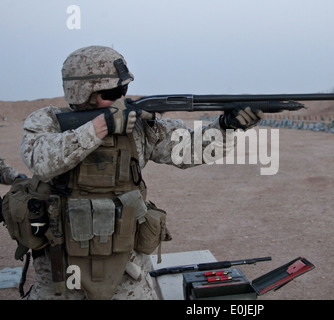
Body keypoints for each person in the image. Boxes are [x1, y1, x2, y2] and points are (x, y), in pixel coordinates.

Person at [19, 45, 263, 300]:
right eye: (111, 92)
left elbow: (190, 149)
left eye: (122, 91)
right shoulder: (47, 121)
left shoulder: (137, 126)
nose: (120, 98)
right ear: (81, 92)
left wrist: (227, 126)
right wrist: (100, 128)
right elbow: (40, 160)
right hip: (60, 269)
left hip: (127, 269)